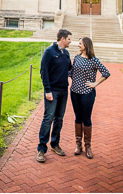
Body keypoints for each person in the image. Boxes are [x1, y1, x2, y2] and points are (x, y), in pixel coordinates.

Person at [69, 37, 110, 159]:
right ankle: (78, 145)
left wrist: (95, 83)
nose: (78, 45)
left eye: (80, 43)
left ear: (86, 45)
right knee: (78, 118)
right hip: (74, 92)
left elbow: (106, 73)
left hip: (87, 93)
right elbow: (71, 73)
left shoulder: (94, 60)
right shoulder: (76, 58)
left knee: (86, 119)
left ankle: (88, 147)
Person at [36, 28, 73, 163]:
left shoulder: (66, 53)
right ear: (62, 39)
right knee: (48, 118)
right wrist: (47, 90)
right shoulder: (49, 52)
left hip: (64, 91)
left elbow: (69, 69)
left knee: (59, 119)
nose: (70, 41)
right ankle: (41, 149)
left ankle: (55, 144)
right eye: (69, 39)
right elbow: (43, 72)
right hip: (53, 91)